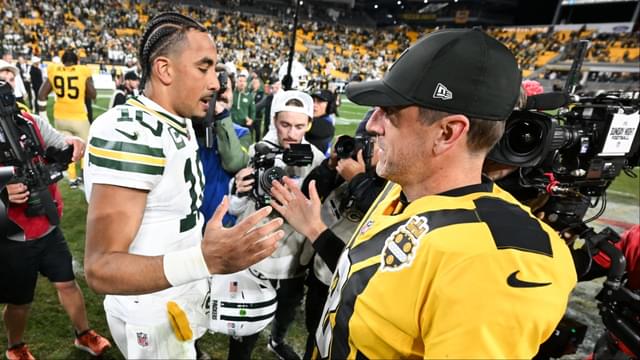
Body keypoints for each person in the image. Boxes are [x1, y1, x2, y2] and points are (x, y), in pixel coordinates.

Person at [269, 29, 577, 359]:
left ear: (447, 133)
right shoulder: (404, 186)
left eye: (391, 112)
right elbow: (369, 277)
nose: (373, 124)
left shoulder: (497, 258)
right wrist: (316, 229)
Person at [82, 12, 283, 359]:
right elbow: (100, 267)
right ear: (165, 70)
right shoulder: (133, 133)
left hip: (171, 299)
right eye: (203, 67)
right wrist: (204, 259)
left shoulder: (176, 120)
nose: (215, 82)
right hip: (151, 312)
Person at [0, 61, 111, 360]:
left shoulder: (29, 121)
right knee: (20, 301)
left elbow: (60, 144)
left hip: (46, 224)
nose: (6, 82)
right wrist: (3, 189)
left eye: (10, 75)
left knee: (66, 282)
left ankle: (83, 333)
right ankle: (15, 346)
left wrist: (73, 145)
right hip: (13, 235)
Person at [227, 90, 325, 360]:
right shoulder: (261, 151)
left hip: (294, 254)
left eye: (299, 125)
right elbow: (237, 207)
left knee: (288, 307)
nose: (292, 133)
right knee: (248, 311)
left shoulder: (317, 158)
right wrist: (238, 189)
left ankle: (277, 340)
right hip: (257, 250)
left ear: (308, 124)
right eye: (285, 124)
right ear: (274, 121)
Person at [297, 113, 387, 360]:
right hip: (319, 273)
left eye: (373, 142)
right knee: (314, 333)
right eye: (362, 142)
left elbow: (379, 216)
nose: (362, 150)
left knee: (337, 343)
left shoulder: (392, 186)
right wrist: (329, 167)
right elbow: (309, 191)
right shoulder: (345, 172)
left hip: (348, 287)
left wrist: (359, 180)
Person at [196, 64, 251, 226]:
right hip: (189, 222)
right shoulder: (189, 128)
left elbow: (234, 163)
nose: (219, 93)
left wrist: (221, 116)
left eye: (225, 88)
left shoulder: (242, 133)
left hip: (223, 221)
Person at [38, 49, 96, 189]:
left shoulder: (54, 70)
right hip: (78, 116)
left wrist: (43, 115)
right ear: (76, 61)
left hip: (60, 117)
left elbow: (41, 94)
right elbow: (92, 94)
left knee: (66, 148)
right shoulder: (82, 70)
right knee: (85, 146)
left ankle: (72, 179)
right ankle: (84, 174)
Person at [305, 89, 336, 157]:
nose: (314, 105)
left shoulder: (326, 124)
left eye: (320, 101)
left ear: (329, 105)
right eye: (312, 101)